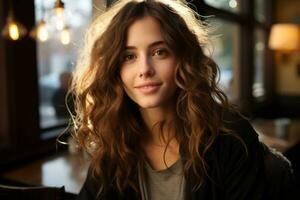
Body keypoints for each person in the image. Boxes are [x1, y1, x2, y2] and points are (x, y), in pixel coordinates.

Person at [71, 0, 296, 199]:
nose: (144, 70)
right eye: (129, 56)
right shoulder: (115, 143)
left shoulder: (231, 137)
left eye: (159, 52)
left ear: (184, 59)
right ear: (114, 70)